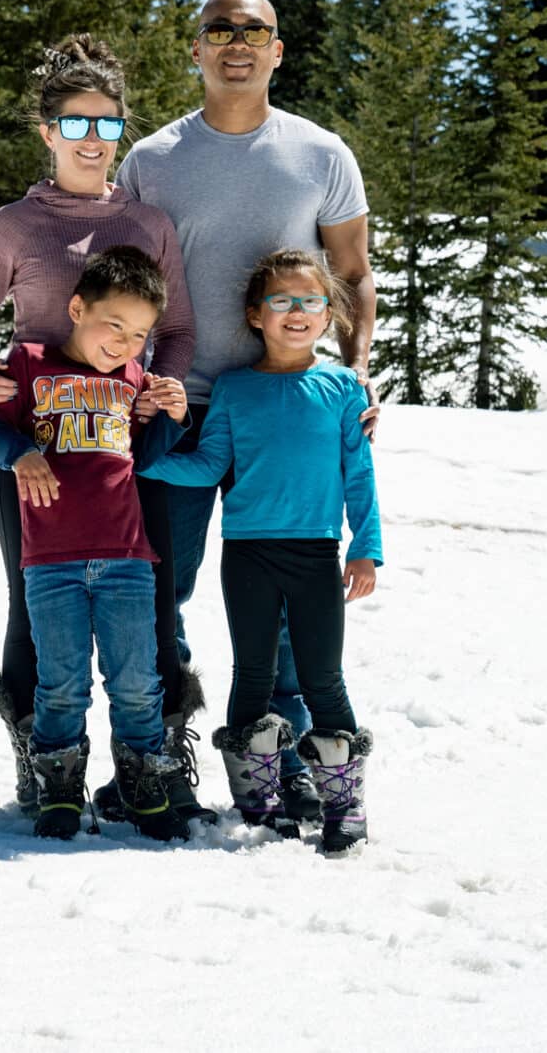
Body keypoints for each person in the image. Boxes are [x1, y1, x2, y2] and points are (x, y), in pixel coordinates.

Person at [0, 0, 379, 825]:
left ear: (278, 47)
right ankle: (163, 752)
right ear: (196, 48)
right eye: (221, 30)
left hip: (283, 406)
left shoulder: (323, 152)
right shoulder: (154, 157)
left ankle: (292, 754)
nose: (237, 44)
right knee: (161, 589)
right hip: (173, 412)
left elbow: (356, 271)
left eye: (253, 30)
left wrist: (358, 370)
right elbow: (75, 216)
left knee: (295, 581)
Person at [0, 35, 207, 828]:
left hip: (124, 448)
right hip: (26, 449)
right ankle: (42, 756)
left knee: (150, 600)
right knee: (32, 601)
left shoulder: (148, 221)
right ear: (48, 131)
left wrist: (167, 387)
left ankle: (152, 760)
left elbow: (181, 329)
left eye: (108, 125)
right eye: (76, 124)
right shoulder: (15, 226)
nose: (94, 141)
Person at [140, 248, 381, 853]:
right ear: (255, 314)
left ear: (330, 314)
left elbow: (359, 475)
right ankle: (260, 799)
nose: (296, 312)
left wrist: (366, 547)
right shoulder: (233, 388)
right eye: (281, 301)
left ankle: (343, 803)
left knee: (324, 678)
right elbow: (211, 465)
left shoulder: (343, 389)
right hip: (247, 554)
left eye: (310, 301)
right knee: (253, 674)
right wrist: (148, 462)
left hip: (316, 556)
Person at [0, 246, 192, 840]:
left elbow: (143, 459)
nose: (124, 343)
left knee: (136, 682)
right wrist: (20, 454)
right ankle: (60, 789)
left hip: (126, 560)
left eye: (140, 334)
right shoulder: (29, 363)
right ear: (76, 308)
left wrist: (169, 418)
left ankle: (143, 784)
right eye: (113, 325)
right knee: (61, 682)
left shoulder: (133, 380)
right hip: (50, 562)